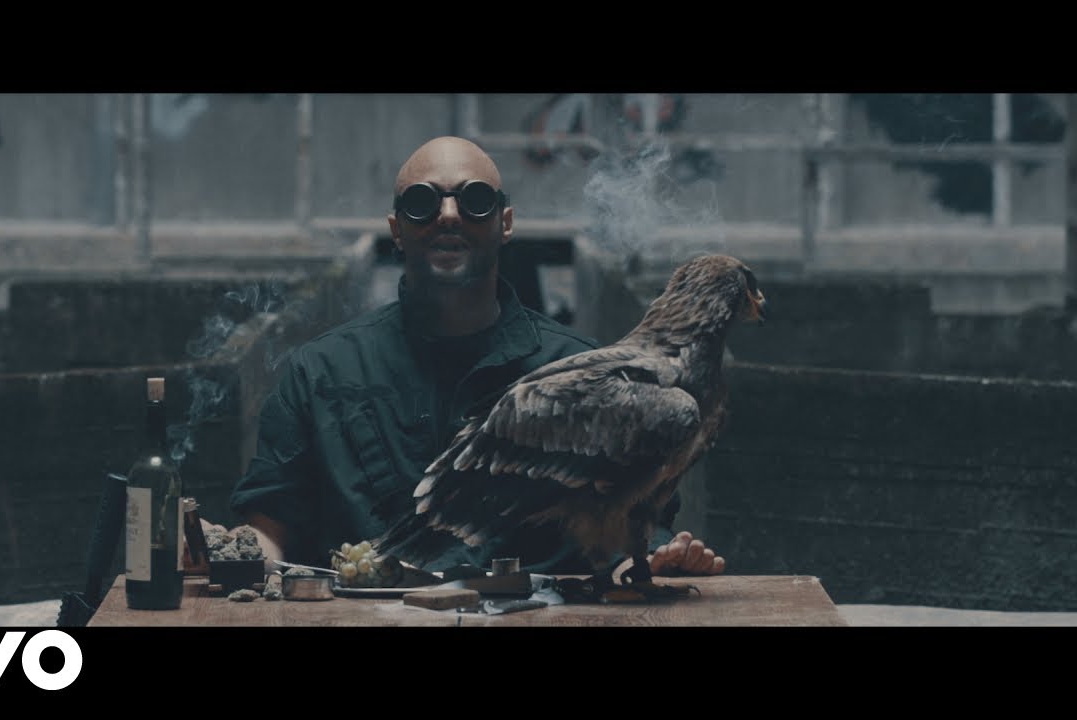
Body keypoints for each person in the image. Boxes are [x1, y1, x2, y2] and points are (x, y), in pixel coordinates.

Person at [225, 136, 725, 580]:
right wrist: (230, 553)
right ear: (396, 229)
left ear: (505, 223)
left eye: (475, 200)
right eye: (421, 202)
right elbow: (269, 525)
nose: (448, 215)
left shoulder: (589, 376)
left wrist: (654, 562)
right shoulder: (319, 373)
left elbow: (630, 532)